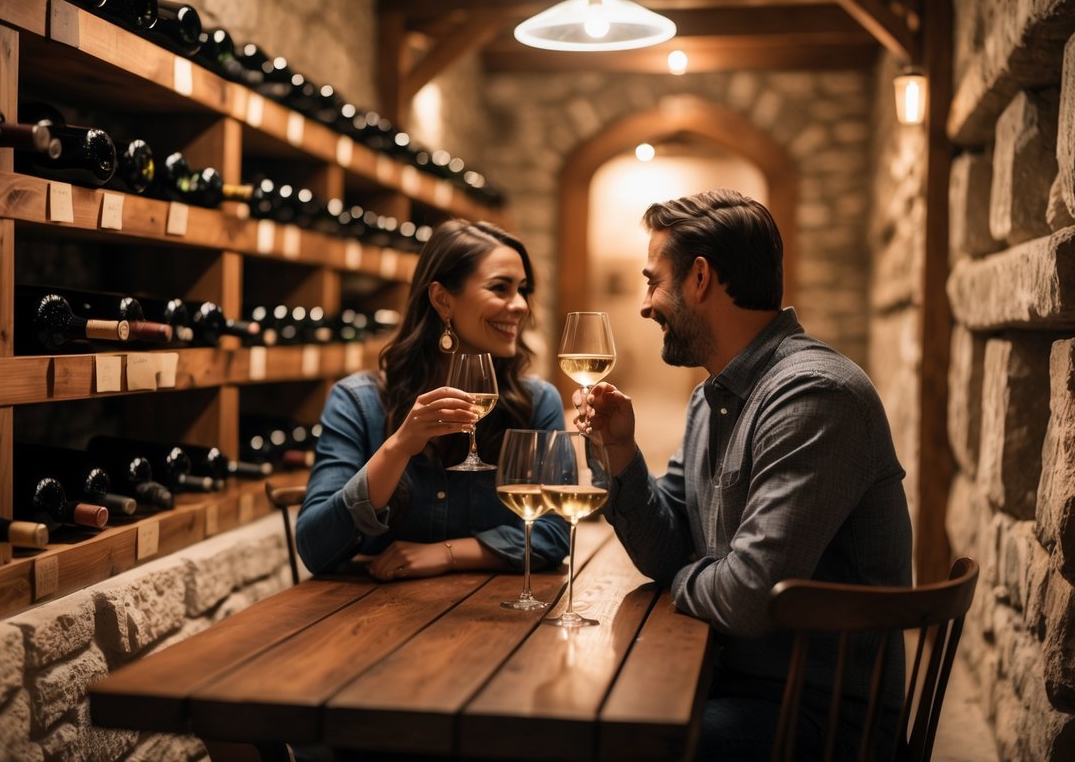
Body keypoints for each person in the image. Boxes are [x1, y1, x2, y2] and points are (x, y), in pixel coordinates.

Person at [576, 189, 913, 761]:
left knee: (613, 741)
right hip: (728, 677)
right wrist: (619, 452)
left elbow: (749, 597)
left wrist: (686, 574)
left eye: (653, 282)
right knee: (584, 705)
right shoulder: (712, 396)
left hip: (813, 716)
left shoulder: (814, 396)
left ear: (699, 278)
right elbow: (666, 549)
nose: (645, 305)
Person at [297, 218, 569, 582]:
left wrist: (447, 554)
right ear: (442, 300)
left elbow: (554, 534)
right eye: (500, 288)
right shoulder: (358, 402)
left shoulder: (536, 402)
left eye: (523, 289)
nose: (520, 305)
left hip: (497, 610)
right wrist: (398, 447)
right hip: (375, 610)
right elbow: (315, 549)